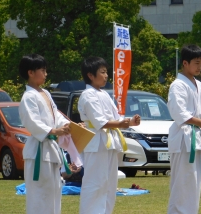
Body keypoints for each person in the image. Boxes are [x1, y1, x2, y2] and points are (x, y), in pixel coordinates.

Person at [78, 56, 140, 214]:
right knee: (95, 183)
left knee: (109, 184)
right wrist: (120, 124)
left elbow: (116, 116)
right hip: (96, 141)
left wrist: (131, 121)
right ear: (91, 75)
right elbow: (99, 121)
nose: (106, 76)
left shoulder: (104, 95)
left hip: (110, 141)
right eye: (103, 72)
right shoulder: (87, 95)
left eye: (106, 72)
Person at [166, 44, 201, 214]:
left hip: (196, 138)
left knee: (194, 183)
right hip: (183, 138)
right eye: (196, 63)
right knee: (182, 183)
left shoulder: (199, 85)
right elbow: (178, 112)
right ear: (185, 63)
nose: (200, 67)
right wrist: (200, 122)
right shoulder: (177, 85)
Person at [18, 54, 71, 214]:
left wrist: (68, 125)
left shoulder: (46, 93)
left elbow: (56, 115)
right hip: (38, 152)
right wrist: (53, 131)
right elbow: (32, 122)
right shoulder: (28, 97)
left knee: (53, 192)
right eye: (42, 70)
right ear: (31, 72)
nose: (46, 74)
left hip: (52, 150)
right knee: (39, 195)